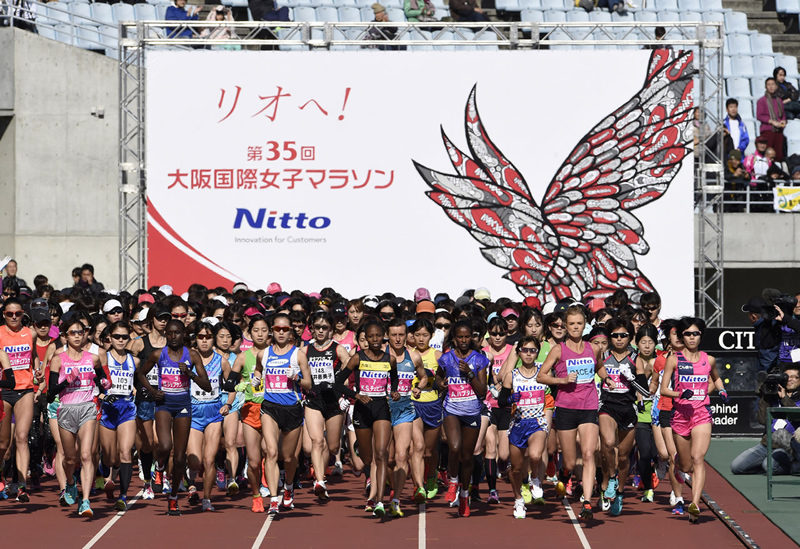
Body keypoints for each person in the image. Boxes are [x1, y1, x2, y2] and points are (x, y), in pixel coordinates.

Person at [537, 303, 610, 521]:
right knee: (569, 461)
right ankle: (565, 473)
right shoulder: (558, 350)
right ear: (566, 326)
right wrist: (562, 380)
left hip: (588, 406)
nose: (576, 327)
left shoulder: (592, 348)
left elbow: (598, 367)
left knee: (588, 454)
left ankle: (586, 501)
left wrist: (608, 378)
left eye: (579, 324)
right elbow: (541, 375)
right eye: (572, 324)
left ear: (585, 325)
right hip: (566, 408)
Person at [137, 319, 212, 516]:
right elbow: (140, 374)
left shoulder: (192, 355)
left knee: (180, 458)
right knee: (164, 446)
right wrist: (153, 392)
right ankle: (159, 467)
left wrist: (190, 374)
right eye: (169, 333)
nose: (173, 336)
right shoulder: (158, 354)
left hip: (183, 406)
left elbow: (207, 385)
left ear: (183, 334)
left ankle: (173, 497)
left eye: (177, 333)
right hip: (164, 404)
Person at [660, 317, 727, 523]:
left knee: (699, 458)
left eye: (695, 333)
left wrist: (721, 389)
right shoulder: (674, 359)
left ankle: (695, 504)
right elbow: (664, 389)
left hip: (701, 414)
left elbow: (716, 378)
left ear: (701, 336)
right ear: (682, 336)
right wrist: (680, 395)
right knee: (685, 464)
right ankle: (679, 466)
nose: (691, 337)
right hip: (680, 415)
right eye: (687, 334)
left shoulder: (709, 359)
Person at [335, 319, 399, 517]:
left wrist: (394, 391)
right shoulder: (357, 358)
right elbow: (337, 383)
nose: (374, 340)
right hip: (362, 409)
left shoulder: (390, 360)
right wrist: (356, 395)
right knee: (365, 460)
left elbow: (394, 379)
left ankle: (380, 501)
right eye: (370, 337)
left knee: (381, 454)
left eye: (378, 336)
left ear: (383, 337)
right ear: (364, 339)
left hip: (381, 408)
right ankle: (359, 447)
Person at [46, 318, 110, 517]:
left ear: (85, 335)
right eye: (73, 333)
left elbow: (101, 380)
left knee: (86, 455)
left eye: (80, 333)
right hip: (66, 409)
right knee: (69, 458)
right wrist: (68, 381)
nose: (77, 336)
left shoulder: (93, 358)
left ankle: (85, 501)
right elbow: (50, 393)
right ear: (65, 336)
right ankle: (71, 483)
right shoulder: (58, 359)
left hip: (87, 408)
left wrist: (105, 384)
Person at [253, 313, 312, 515]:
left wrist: (296, 377)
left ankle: (288, 486)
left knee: (288, 458)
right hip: (270, 407)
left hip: (292, 409)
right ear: (272, 330)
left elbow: (309, 384)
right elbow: (258, 370)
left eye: (285, 329)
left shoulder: (298, 355)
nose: (280, 332)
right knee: (270, 452)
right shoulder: (264, 354)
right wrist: (256, 379)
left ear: (290, 332)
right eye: (277, 329)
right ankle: (274, 498)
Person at [439, 319, 489, 518]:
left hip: (472, 412)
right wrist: (440, 384)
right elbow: (438, 379)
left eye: (467, 336)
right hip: (451, 409)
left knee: (468, 457)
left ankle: (465, 496)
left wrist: (469, 374)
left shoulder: (479, 360)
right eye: (460, 337)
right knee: (454, 447)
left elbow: (483, 391)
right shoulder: (446, 358)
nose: (463, 340)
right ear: (454, 338)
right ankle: (452, 481)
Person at [598, 318, 648, 516]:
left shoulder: (637, 359)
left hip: (628, 408)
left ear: (630, 337)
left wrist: (631, 378)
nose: (619, 339)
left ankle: (619, 492)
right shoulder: (602, 356)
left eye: (623, 335)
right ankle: (611, 478)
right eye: (615, 335)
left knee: (625, 457)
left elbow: (644, 389)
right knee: (608, 444)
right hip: (607, 406)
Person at [300, 311, 351, 500]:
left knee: (332, 446)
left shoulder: (338, 349)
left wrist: (343, 388)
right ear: (311, 329)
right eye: (317, 327)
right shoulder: (304, 350)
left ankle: (325, 467)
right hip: (314, 400)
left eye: (325, 327)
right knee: (316, 441)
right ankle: (319, 481)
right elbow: (297, 371)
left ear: (331, 330)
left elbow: (349, 368)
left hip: (334, 401)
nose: (320, 331)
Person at [499, 336, 549, 519]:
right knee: (516, 469)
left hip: (537, 422)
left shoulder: (543, 374)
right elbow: (501, 400)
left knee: (536, 455)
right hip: (518, 424)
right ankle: (518, 499)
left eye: (532, 350)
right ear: (519, 352)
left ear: (537, 353)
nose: (529, 354)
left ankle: (535, 478)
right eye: (525, 350)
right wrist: (510, 399)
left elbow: (558, 388)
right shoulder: (511, 376)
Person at [386, 318, 428, 516]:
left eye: (401, 335)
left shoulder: (414, 357)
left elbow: (425, 376)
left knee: (402, 455)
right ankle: (379, 492)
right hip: (383, 411)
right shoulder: (380, 356)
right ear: (387, 336)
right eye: (393, 335)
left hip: (405, 409)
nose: (397, 339)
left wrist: (418, 388)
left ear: (406, 336)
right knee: (386, 458)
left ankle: (396, 500)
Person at [187, 321, 230, 512]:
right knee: (195, 460)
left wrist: (228, 403)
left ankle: (206, 498)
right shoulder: (187, 358)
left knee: (210, 459)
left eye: (208, 337)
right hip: (193, 413)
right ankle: (190, 480)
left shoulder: (221, 361)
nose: (204, 341)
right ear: (195, 339)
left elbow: (232, 385)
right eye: (201, 337)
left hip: (213, 412)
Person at [0, 297, 40, 503]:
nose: (14, 317)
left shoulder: (29, 333)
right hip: (4, 391)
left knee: (22, 437)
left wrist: (38, 371)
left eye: (17, 314)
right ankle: (1, 474)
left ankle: (22, 486)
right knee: (4, 443)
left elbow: (33, 355)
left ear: (23, 313)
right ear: (4, 315)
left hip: (25, 389)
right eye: (9, 314)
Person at [229, 314, 270, 513]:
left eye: (264, 330)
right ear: (249, 333)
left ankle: (277, 491)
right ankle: (256, 495)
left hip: (273, 409)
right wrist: (243, 385)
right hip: (250, 410)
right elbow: (228, 383)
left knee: (271, 453)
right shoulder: (243, 357)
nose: (260, 334)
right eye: (256, 330)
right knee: (254, 460)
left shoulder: (276, 354)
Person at [128, 304, 169, 499]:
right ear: (151, 319)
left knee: (162, 441)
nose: (163, 321)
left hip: (165, 397)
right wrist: (133, 387)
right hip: (144, 397)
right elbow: (126, 365)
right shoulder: (139, 343)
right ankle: (146, 483)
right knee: (147, 443)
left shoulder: (171, 341)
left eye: (166, 318)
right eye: (160, 317)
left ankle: (160, 470)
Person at [730, 364, 800, 475]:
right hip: (767, 444)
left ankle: (796, 466)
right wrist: (765, 396)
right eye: (787, 377)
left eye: (794, 377)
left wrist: (785, 398)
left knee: (769, 466)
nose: (790, 380)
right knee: (736, 467)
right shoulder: (773, 394)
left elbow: (796, 415)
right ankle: (769, 465)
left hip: (788, 447)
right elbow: (762, 420)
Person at [99, 321, 138, 511]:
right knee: (110, 456)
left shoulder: (134, 361)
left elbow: (141, 381)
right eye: (117, 337)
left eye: (124, 337)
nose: (121, 340)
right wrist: (102, 394)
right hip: (107, 408)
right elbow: (93, 383)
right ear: (110, 338)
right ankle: (104, 468)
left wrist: (142, 390)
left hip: (127, 408)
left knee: (125, 452)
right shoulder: (102, 359)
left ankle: (123, 495)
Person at [409, 318, 444, 499]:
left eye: (425, 335)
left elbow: (445, 378)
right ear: (412, 336)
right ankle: (418, 485)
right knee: (417, 447)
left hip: (433, 404)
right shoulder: (408, 355)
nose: (421, 339)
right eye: (417, 335)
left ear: (431, 336)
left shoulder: (437, 356)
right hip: (413, 405)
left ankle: (432, 476)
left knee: (429, 451)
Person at [756, 77, 787, 162]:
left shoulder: (779, 100)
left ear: (776, 86)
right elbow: (759, 116)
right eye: (768, 85)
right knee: (767, 154)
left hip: (779, 131)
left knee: (778, 155)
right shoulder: (761, 101)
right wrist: (772, 122)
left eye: (772, 84)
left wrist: (783, 121)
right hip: (768, 131)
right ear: (766, 87)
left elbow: (783, 114)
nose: (771, 87)